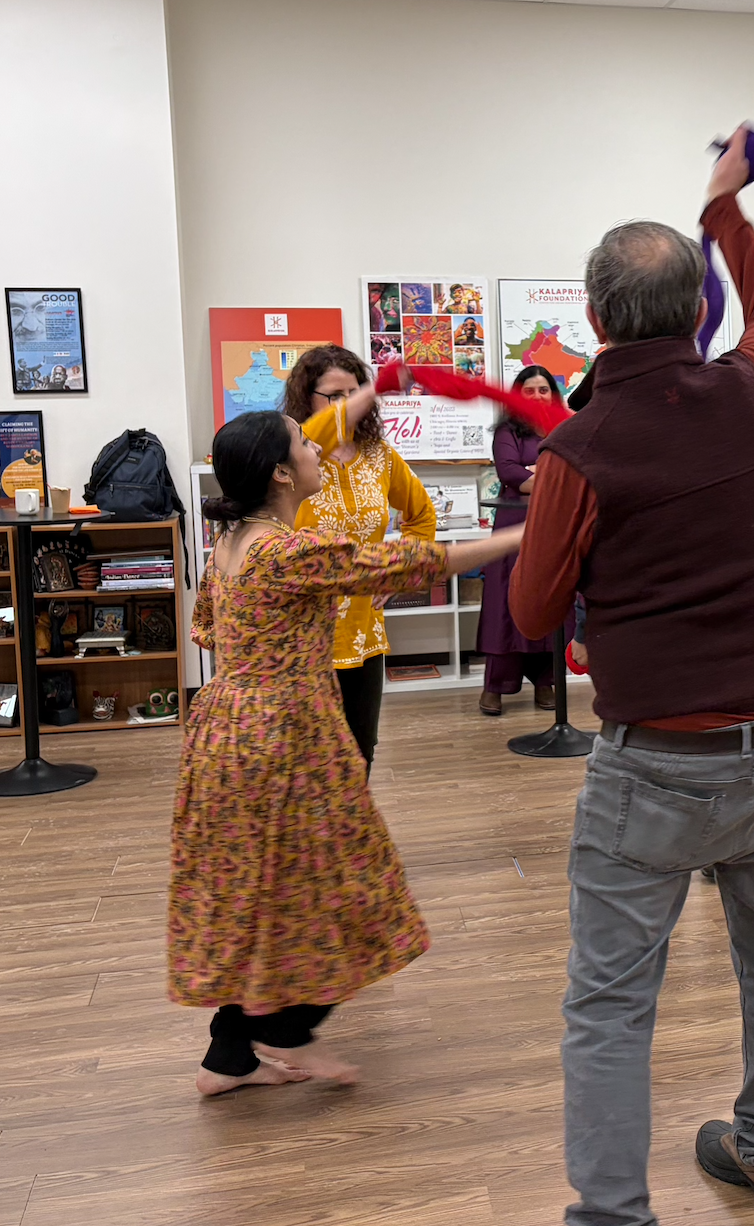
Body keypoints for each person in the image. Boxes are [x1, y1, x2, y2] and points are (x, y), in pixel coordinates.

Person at [510, 126, 754, 1225]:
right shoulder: (753, 390)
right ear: (697, 312)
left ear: (595, 322)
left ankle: (612, 1214)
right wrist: (725, 206)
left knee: (609, 1003)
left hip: (654, 765)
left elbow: (533, 613)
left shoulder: (579, 450)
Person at [170, 391, 520, 1097]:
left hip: (227, 731)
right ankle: (286, 1029)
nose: (319, 449)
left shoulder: (232, 545)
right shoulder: (287, 551)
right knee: (342, 886)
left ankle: (230, 1056)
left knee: (258, 891)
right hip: (282, 739)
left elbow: (207, 626)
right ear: (279, 472)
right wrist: (522, 535)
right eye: (305, 443)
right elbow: (422, 564)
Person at [282, 344, 436, 773]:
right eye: (334, 395)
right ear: (307, 398)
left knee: (358, 752)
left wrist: (398, 574)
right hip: (300, 637)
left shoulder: (378, 455)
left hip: (363, 635)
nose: (348, 403)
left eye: (355, 392)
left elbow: (421, 515)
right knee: (305, 762)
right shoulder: (292, 458)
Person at [479, 364, 571, 716]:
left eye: (543, 390)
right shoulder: (508, 430)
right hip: (513, 527)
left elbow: (573, 469)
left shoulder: (563, 427)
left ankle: (546, 681)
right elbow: (510, 473)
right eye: (529, 390)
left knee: (549, 597)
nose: (536, 396)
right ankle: (495, 687)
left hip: (553, 523)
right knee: (507, 602)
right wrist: (548, 475)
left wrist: (535, 473)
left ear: (553, 394)